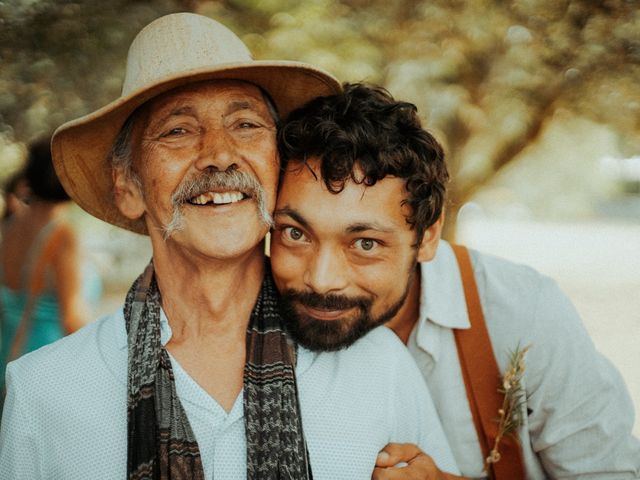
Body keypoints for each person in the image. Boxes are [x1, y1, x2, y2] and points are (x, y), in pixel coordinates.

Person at [0, 14, 460, 480]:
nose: (220, 154)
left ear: (278, 166)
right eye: (177, 130)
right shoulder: (45, 391)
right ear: (128, 185)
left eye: (245, 124)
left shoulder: (378, 366)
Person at [270, 82, 640, 479]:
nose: (322, 280)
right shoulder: (240, 318)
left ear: (427, 237)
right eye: (295, 233)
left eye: (365, 243)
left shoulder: (524, 314)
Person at [0, 138, 98, 394]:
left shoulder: (11, 228)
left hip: (8, 360)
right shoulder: (63, 235)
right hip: (48, 370)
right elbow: (72, 319)